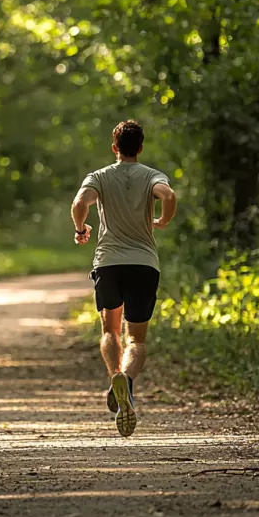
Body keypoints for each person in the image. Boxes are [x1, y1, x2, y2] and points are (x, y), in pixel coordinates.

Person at [71, 120, 177, 437]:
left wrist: (80, 229)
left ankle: (114, 376)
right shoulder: (152, 176)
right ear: (140, 147)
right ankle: (127, 381)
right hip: (144, 264)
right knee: (137, 339)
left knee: (111, 331)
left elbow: (79, 203)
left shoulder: (100, 177)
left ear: (114, 147)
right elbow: (168, 195)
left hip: (108, 263)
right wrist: (161, 220)